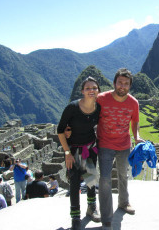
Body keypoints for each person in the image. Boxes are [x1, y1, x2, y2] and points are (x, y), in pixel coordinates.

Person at [96, 68, 144, 230]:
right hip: (104, 145)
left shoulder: (133, 103)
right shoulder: (101, 99)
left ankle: (124, 203)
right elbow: (88, 114)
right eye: (120, 82)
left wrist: (136, 136)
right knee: (105, 180)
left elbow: (135, 122)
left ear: (130, 85)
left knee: (123, 175)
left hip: (124, 145)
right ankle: (106, 214)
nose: (122, 86)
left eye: (126, 83)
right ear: (114, 83)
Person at [57, 76, 101, 230]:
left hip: (90, 149)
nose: (91, 90)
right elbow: (60, 130)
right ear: (82, 91)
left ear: (98, 91)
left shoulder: (98, 108)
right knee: (75, 183)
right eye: (88, 88)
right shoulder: (72, 108)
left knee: (90, 180)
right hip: (74, 151)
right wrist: (67, 153)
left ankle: (91, 208)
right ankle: (75, 216)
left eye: (94, 88)